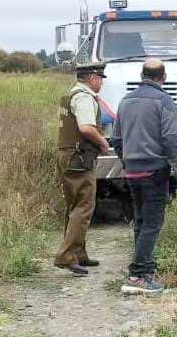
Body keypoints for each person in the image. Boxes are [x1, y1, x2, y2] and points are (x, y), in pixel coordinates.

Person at [111, 58, 177, 294]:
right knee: (153, 222)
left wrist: (128, 161)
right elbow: (171, 139)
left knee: (141, 221)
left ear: (142, 76)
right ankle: (137, 275)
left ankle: (146, 270)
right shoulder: (164, 101)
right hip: (155, 170)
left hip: (133, 171)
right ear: (162, 78)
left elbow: (116, 139)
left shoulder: (125, 101)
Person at [54, 66, 111, 275]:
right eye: (99, 78)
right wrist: (103, 143)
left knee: (74, 206)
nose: (102, 83)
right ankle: (66, 255)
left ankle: (78, 254)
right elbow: (86, 127)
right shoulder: (84, 97)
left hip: (68, 156)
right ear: (91, 77)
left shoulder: (70, 94)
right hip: (79, 158)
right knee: (84, 206)